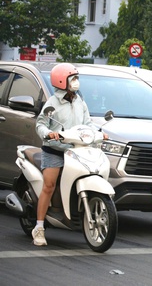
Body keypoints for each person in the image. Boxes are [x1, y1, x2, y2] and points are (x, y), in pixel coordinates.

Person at [33, 63, 105, 246]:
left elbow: (87, 122)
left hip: (77, 150)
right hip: (55, 150)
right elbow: (40, 124)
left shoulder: (80, 100)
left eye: (76, 78)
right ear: (61, 81)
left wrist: (99, 132)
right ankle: (39, 227)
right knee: (49, 186)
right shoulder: (52, 103)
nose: (76, 82)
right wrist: (48, 134)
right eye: (73, 78)